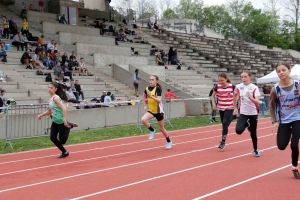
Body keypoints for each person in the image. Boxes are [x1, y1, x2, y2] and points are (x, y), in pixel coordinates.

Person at [269, 61, 300, 179]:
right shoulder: (275, 89)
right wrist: (275, 121)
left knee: (294, 145)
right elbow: (272, 106)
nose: (281, 73)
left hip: (298, 118)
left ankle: (294, 168)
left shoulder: (298, 85)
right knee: (281, 146)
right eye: (278, 71)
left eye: (283, 70)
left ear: (289, 71)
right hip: (284, 120)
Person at [37, 82, 76, 158]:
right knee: (53, 138)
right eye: (49, 87)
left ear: (55, 89)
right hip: (55, 121)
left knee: (62, 141)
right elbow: (49, 111)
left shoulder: (56, 98)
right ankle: (64, 152)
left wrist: (64, 119)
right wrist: (41, 115)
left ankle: (69, 126)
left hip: (61, 121)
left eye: (51, 88)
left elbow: (64, 108)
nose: (49, 89)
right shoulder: (50, 99)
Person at [233, 71, 261, 157]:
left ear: (250, 77)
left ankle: (255, 149)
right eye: (242, 77)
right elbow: (234, 97)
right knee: (238, 131)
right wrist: (235, 108)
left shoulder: (254, 88)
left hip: (253, 112)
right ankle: (247, 124)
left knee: (253, 133)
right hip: (243, 112)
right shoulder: (238, 86)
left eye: (245, 77)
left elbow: (257, 102)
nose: (243, 79)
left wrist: (250, 98)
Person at [141, 75, 172, 150]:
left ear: (156, 81)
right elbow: (143, 97)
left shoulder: (158, 89)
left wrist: (151, 96)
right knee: (143, 120)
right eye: (150, 79)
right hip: (151, 110)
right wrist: (144, 106)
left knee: (161, 128)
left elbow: (159, 100)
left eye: (152, 80)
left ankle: (169, 141)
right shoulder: (147, 89)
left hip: (159, 111)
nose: (151, 81)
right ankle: (152, 130)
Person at [211, 73, 236, 149]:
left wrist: (236, 106)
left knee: (225, 123)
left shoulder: (232, 86)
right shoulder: (217, 87)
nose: (220, 82)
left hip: (230, 107)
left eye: (222, 80)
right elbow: (212, 96)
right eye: (219, 80)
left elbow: (237, 95)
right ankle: (234, 117)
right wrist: (214, 104)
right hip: (221, 108)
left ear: (226, 79)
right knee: (224, 125)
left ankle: (223, 142)